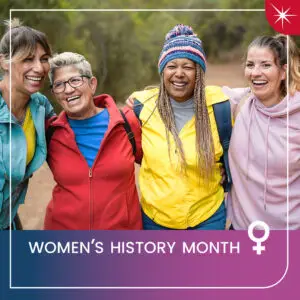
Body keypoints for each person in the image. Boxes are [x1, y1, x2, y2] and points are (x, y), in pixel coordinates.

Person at [127, 24, 231, 230]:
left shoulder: (219, 106)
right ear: (162, 70)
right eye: (172, 66)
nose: (179, 73)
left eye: (188, 67)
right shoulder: (142, 107)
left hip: (207, 217)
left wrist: (227, 170)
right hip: (155, 219)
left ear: (199, 73)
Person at [44, 52, 142, 230]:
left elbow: (162, 165)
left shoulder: (127, 122)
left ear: (92, 84)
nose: (68, 90)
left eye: (75, 80)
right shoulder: (50, 131)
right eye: (59, 85)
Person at [224, 35, 300, 229]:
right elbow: (190, 94)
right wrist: (139, 100)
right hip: (241, 231)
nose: (255, 73)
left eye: (266, 65)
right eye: (250, 65)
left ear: (283, 72)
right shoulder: (238, 103)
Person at [0, 19, 55, 230]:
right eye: (28, 59)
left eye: (44, 59)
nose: (39, 68)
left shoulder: (40, 107)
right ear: (4, 62)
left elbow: (75, 128)